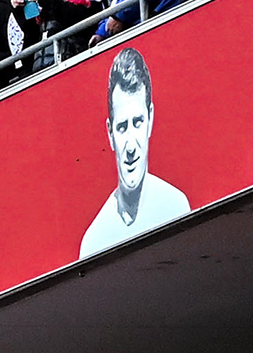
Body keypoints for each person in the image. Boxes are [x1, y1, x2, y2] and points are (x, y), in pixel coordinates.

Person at [79, 47, 192, 251]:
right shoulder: (94, 241)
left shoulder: (176, 207)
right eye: (122, 127)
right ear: (110, 133)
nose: (131, 146)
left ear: (150, 119)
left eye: (138, 122)